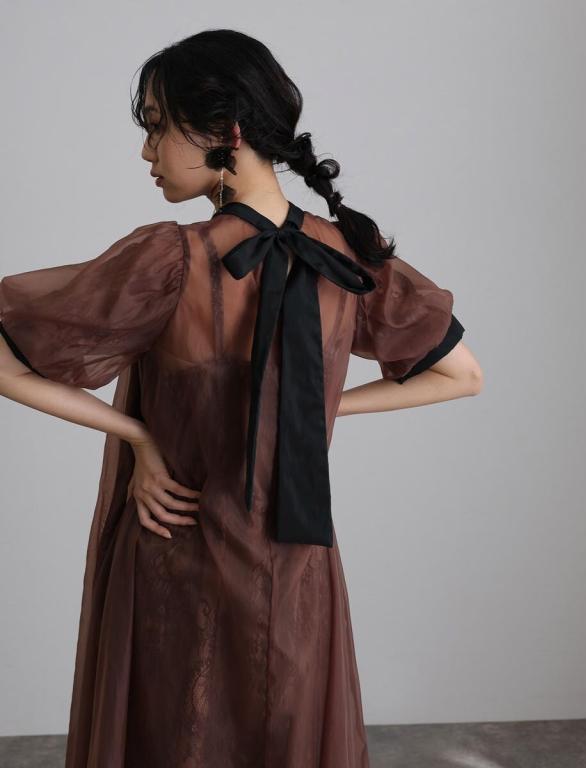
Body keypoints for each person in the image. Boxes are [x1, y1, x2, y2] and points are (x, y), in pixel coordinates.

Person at [0, 28, 483, 768]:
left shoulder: (172, 260)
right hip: (294, 569)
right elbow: (462, 374)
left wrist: (138, 436)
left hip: (177, 555)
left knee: (173, 740)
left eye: (157, 127)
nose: (146, 152)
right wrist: (318, 405)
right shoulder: (349, 257)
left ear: (226, 131)